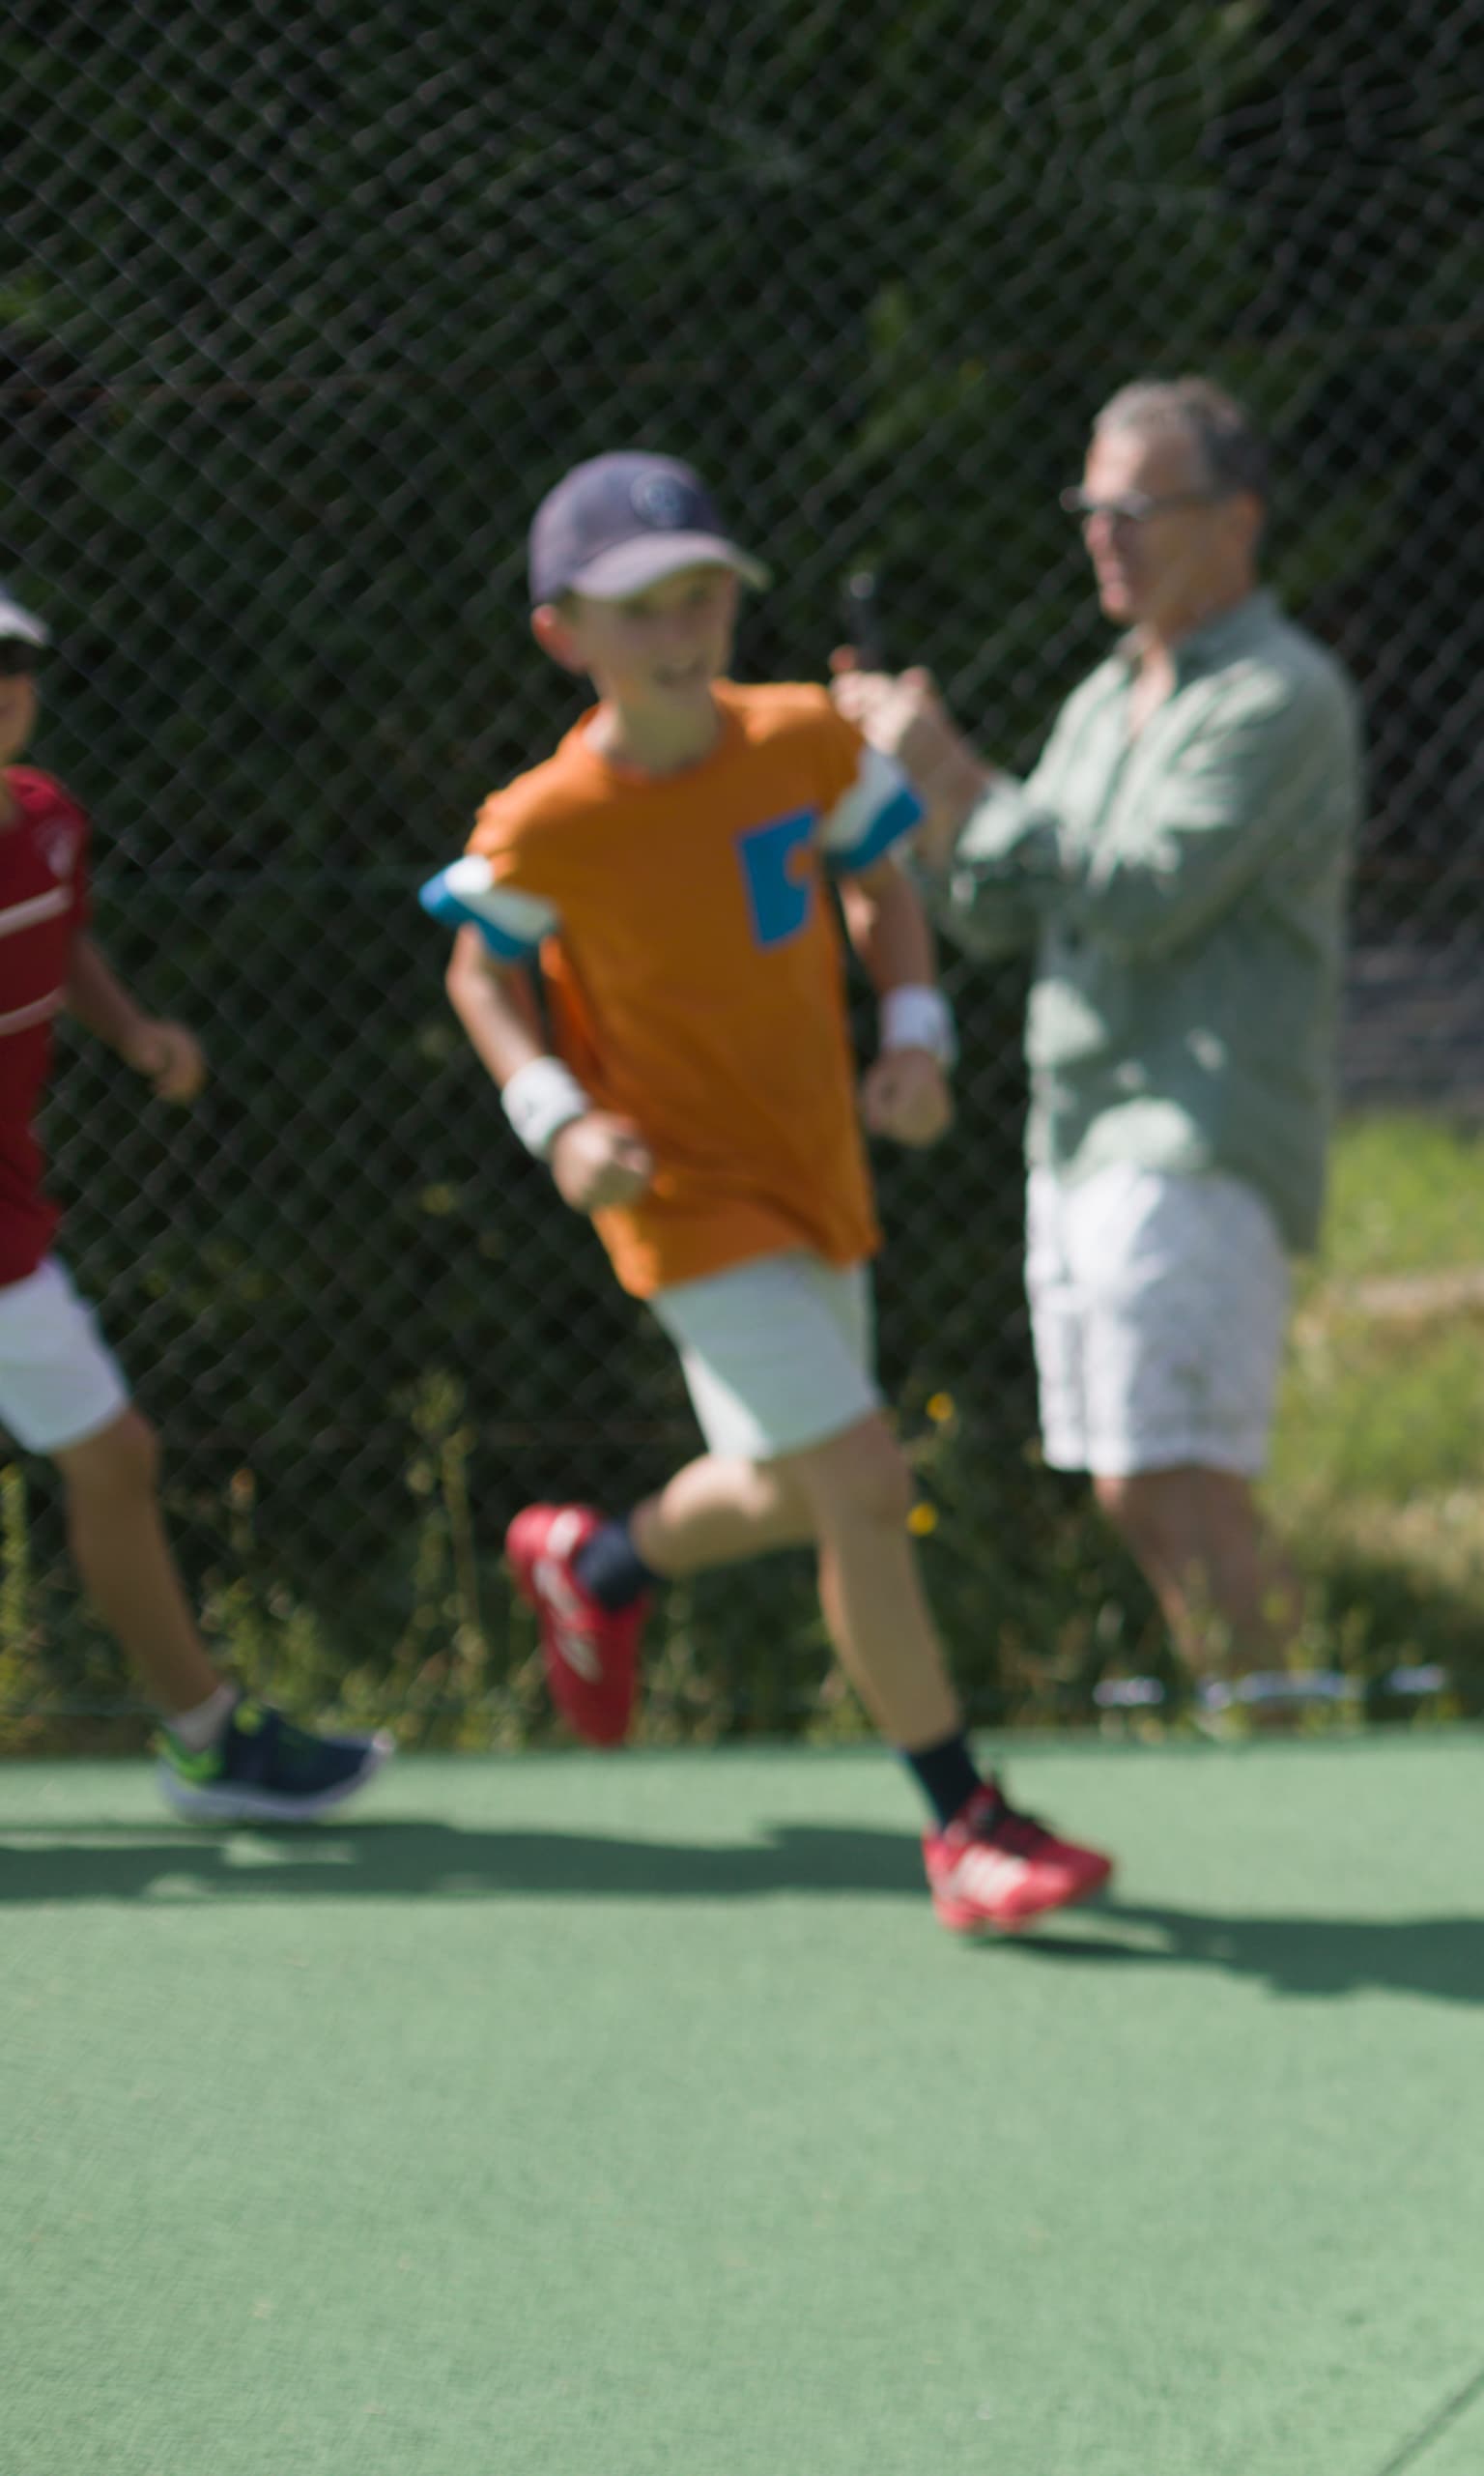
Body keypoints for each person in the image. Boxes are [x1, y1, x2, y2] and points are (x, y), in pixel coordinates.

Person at [425, 452, 1112, 1934]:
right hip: (678, 1200)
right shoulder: (545, 820)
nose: (683, 629)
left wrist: (915, 1034)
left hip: (817, 1172)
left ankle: (595, 1562)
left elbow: (880, 882)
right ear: (567, 636)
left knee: (793, 1485)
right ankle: (965, 1822)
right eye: (641, 608)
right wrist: (555, 1118)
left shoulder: (801, 740)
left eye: (704, 594)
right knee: (866, 1481)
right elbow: (480, 968)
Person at [836, 378, 1362, 1717]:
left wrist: (954, 779)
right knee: (1137, 1480)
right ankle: (1247, 1714)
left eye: (1136, 508)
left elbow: (1138, 892)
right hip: (1076, 1141)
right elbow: (1001, 909)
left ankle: (1294, 1738)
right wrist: (907, 806)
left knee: (1179, 1475)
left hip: (1195, 1139)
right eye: (1090, 508)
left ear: (1235, 518)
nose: (1102, 537)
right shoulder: (1102, 696)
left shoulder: (1282, 696)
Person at [0, 584, 389, 1821]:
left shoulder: (48, 820)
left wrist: (133, 1032)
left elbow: (60, 943)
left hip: (7, 1223)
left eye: (12, 662)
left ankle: (209, 1746)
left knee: (114, 1456)